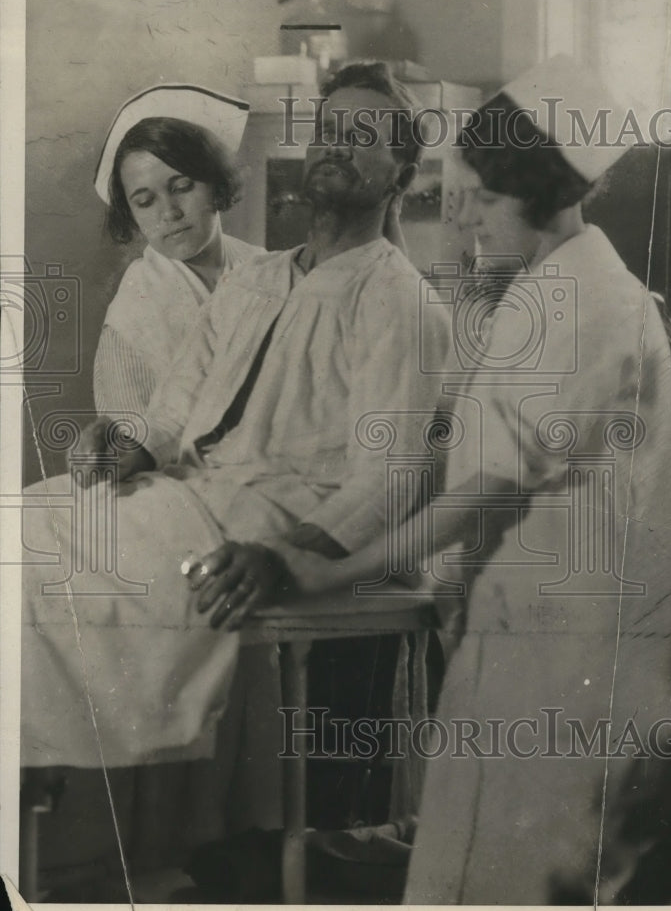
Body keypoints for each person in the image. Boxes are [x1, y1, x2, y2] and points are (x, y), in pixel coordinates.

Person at [252, 56, 671, 904]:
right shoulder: (540, 290)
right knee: (476, 880)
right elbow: (450, 440)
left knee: (524, 887)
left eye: (485, 204)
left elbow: (491, 481)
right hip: (520, 634)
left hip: (576, 645)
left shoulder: (593, 298)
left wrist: (338, 569)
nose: (469, 224)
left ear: (549, 199)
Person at [21, 60, 452, 811]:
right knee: (23, 520)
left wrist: (282, 557)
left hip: (265, 517)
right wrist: (130, 447)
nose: (336, 145)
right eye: (328, 131)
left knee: (33, 568)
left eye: (363, 134)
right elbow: (176, 405)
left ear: (402, 174)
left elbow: (390, 479)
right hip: (186, 492)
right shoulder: (255, 281)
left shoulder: (398, 301)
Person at [92, 85, 265, 417]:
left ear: (217, 182)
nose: (168, 213)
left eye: (182, 187)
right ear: (131, 213)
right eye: (145, 202)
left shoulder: (264, 266)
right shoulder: (130, 320)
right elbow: (125, 446)